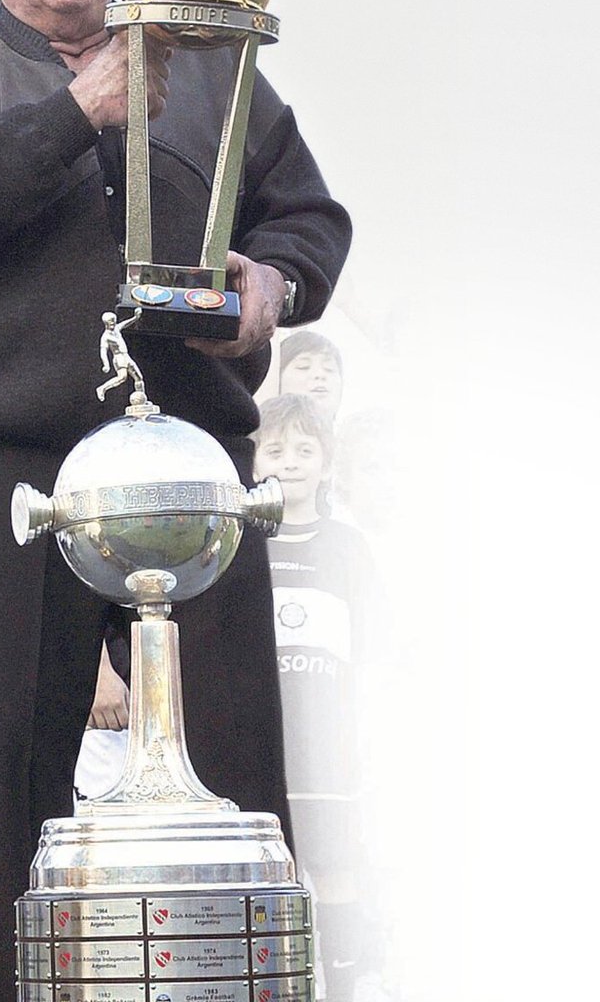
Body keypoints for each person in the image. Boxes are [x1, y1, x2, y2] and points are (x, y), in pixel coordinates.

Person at [0, 0, 352, 1001]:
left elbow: (309, 215)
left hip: (191, 460)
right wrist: (74, 109)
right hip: (13, 465)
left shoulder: (215, 69)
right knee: (1, 782)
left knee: (234, 760)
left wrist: (273, 282)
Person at [253, 394, 385, 1002]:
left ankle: (349, 985)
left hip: (329, 751)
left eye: (306, 450)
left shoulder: (347, 545)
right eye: (276, 449)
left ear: (327, 464)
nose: (291, 461)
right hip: (262, 743)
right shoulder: (241, 544)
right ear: (253, 461)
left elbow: (371, 648)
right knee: (269, 880)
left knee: (335, 870)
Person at [277, 328, 345, 419]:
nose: (319, 374)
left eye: (329, 368)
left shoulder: (359, 430)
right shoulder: (257, 430)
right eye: (303, 366)